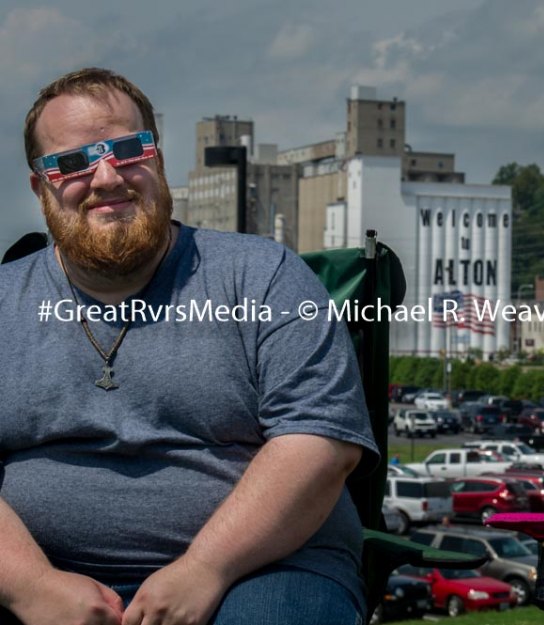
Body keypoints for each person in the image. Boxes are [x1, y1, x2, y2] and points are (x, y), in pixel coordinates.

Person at [0, 67, 378, 625]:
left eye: (128, 149)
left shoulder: (264, 276)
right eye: (74, 161)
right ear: (42, 187)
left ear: (156, 160)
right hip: (36, 576)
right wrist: (30, 587)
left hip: (262, 570)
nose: (106, 177)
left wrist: (206, 567)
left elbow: (320, 446)